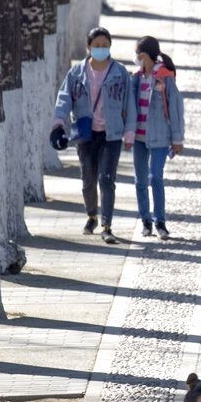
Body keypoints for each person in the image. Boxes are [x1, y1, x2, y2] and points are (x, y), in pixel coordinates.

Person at [52, 28, 135, 245]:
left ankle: (107, 226)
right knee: (88, 179)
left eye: (104, 45)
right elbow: (64, 98)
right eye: (96, 45)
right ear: (89, 47)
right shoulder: (76, 73)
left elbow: (129, 104)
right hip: (86, 133)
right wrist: (58, 123)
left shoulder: (120, 73)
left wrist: (129, 131)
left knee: (107, 179)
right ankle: (91, 216)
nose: (101, 49)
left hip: (112, 134)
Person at [130, 36, 185, 241]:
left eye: (138, 54)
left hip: (160, 137)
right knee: (140, 180)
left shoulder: (164, 77)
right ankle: (145, 221)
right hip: (138, 137)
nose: (136, 58)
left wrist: (177, 138)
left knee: (156, 177)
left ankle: (160, 221)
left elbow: (176, 108)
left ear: (145, 55)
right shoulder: (135, 77)